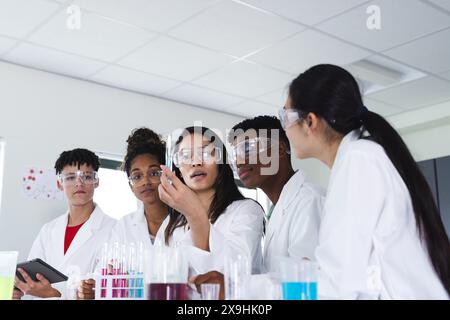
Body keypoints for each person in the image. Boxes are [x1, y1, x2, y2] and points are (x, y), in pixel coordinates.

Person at [280, 63, 450, 299]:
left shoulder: (359, 159)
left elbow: (340, 282)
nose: (285, 130)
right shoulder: (358, 157)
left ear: (310, 122)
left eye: (286, 117)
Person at [77, 128, 184, 299]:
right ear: (130, 185)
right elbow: (105, 274)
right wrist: (92, 288)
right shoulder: (124, 227)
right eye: (137, 176)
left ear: (167, 175)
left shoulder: (187, 222)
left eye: (154, 173)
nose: (145, 182)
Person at [158, 126, 265, 277]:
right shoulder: (171, 223)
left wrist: (195, 214)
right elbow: (157, 274)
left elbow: (233, 273)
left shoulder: (247, 211)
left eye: (206, 153)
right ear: (178, 168)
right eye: (186, 156)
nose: (196, 162)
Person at [14, 148, 116, 299]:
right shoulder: (48, 230)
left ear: (96, 182)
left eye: (87, 177)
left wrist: (54, 293)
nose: (79, 183)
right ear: (59, 184)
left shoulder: (114, 229)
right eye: (70, 177)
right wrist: (18, 291)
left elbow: (102, 289)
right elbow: (30, 281)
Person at [228, 115, 324, 273]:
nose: (239, 162)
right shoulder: (279, 209)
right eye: (235, 156)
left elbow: (303, 280)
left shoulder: (310, 201)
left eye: (247, 149)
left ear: (279, 150)